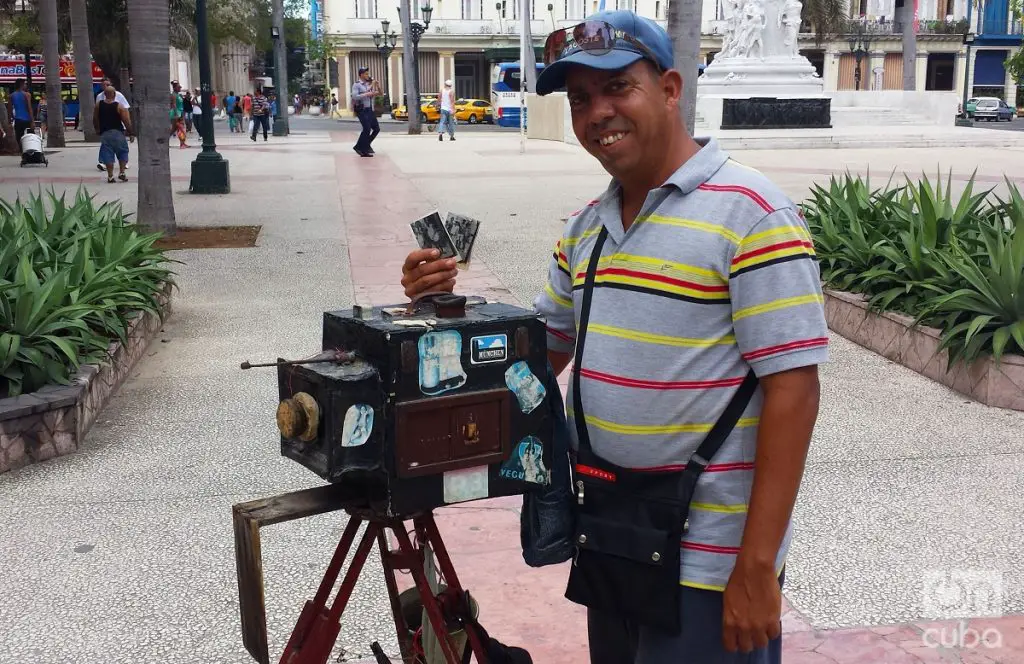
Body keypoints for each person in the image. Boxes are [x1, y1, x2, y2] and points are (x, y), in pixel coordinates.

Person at [400, 10, 827, 664]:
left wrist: (757, 566)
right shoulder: (586, 228)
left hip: (712, 564)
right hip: (615, 536)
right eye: (579, 99)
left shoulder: (753, 214)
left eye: (617, 87)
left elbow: (794, 390)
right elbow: (538, 359)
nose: (598, 112)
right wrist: (443, 307)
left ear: (671, 88)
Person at [94, 85, 133, 183]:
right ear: (114, 94)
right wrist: (131, 132)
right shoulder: (119, 106)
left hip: (105, 133)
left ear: (104, 94)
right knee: (123, 152)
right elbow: (126, 121)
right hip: (118, 133)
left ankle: (110, 176)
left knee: (107, 154)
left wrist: (97, 129)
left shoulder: (99, 104)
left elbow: (95, 118)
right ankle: (122, 173)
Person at [351, 67, 379, 157]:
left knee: (376, 129)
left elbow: (373, 93)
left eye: (368, 73)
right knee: (367, 128)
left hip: (370, 109)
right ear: (361, 75)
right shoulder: (357, 85)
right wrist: (367, 94)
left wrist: (374, 89)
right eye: (366, 74)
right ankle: (361, 148)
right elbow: (355, 96)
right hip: (362, 109)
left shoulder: (368, 84)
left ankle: (364, 146)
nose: (368, 75)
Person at [169, 80, 187, 148]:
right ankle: (182, 144)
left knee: (178, 129)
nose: (180, 88)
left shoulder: (178, 95)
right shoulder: (173, 95)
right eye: (179, 87)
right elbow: (174, 105)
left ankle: (182, 143)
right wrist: (177, 114)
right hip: (176, 113)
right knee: (179, 129)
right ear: (175, 88)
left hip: (180, 112)